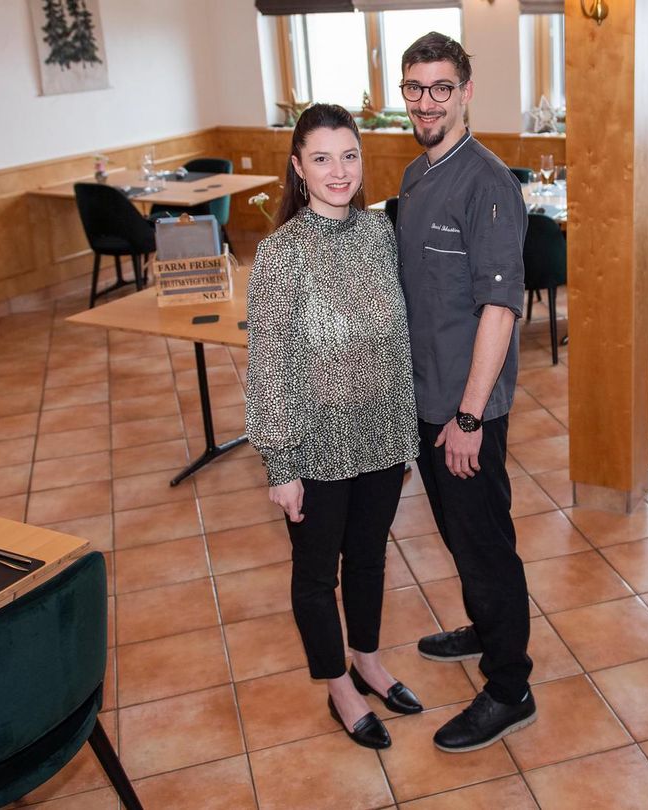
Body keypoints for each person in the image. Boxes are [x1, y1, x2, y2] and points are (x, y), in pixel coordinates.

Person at [244, 103, 423, 751]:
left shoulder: (379, 235)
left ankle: (368, 659)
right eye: (321, 158)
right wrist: (280, 465)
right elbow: (266, 365)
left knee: (371, 557)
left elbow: (394, 341)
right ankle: (339, 686)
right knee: (318, 576)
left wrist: (406, 433)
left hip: (380, 434)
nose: (338, 170)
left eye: (348, 155)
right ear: (298, 167)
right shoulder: (280, 255)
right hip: (315, 446)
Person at [394, 33, 535, 752]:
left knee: (485, 547)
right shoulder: (418, 175)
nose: (426, 101)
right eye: (414, 87)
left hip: (465, 410)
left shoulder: (488, 184)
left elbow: (501, 309)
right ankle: (484, 630)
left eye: (440, 87)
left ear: (466, 92)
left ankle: (510, 685)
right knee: (457, 536)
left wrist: (470, 417)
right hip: (425, 402)